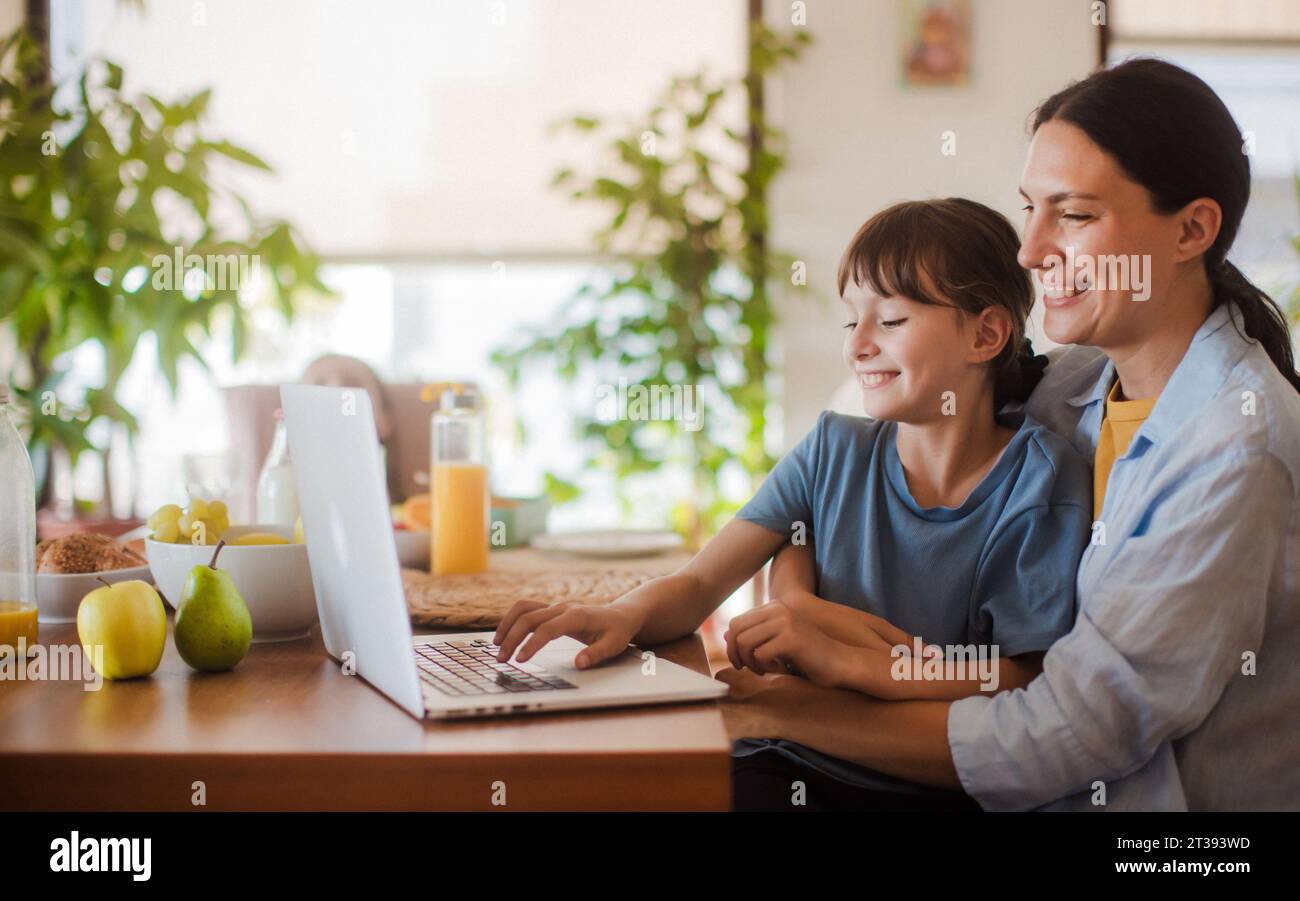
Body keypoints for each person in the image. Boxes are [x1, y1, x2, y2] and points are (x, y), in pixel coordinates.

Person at [737, 57, 1300, 811]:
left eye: (1073, 215)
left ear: (1192, 229)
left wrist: (786, 709)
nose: (1030, 252)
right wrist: (800, 595)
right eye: (1029, 208)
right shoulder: (1068, 386)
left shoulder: (1238, 451)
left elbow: (1064, 732)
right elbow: (858, 463)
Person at [493, 198, 1092, 811]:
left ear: (984, 333)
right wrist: (620, 615)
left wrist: (846, 664)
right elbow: (700, 581)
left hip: (915, 779)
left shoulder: (1039, 482)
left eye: (890, 321)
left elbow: (1014, 678)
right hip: (781, 758)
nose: (858, 345)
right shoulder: (832, 449)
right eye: (850, 321)